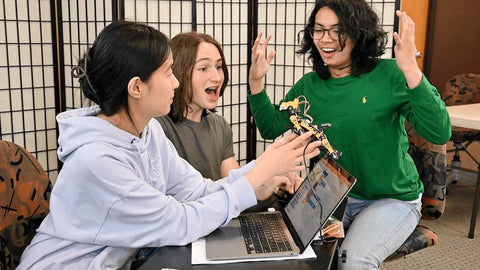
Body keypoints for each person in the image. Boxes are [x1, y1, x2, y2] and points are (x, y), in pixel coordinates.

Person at [17, 21, 322, 269]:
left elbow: (197, 190)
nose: (175, 83)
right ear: (136, 87)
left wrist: (268, 163)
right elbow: (179, 221)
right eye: (168, 73)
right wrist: (261, 173)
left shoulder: (147, 131)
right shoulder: (97, 160)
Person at [247, 0, 451, 269]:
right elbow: (271, 126)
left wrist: (411, 69)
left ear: (359, 32)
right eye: (318, 30)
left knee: (354, 260)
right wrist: (256, 82)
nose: (326, 39)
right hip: (333, 195)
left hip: (390, 199)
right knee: (288, 250)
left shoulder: (389, 74)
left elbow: (438, 130)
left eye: (337, 30)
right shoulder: (309, 86)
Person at [156, 32, 239, 180]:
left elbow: (235, 182)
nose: (217, 77)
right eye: (203, 68)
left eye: (219, 66)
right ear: (179, 71)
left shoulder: (220, 125)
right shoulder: (158, 129)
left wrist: (270, 181)